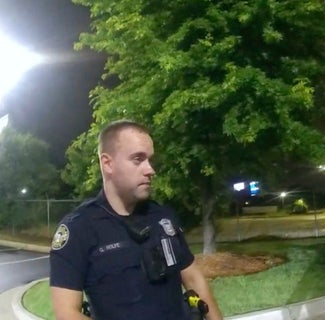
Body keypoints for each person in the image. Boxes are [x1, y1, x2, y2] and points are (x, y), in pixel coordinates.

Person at [49, 120, 224, 320]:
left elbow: (193, 278)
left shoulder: (163, 217)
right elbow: (66, 313)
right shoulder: (78, 229)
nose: (150, 170)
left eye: (150, 160)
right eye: (138, 159)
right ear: (108, 164)